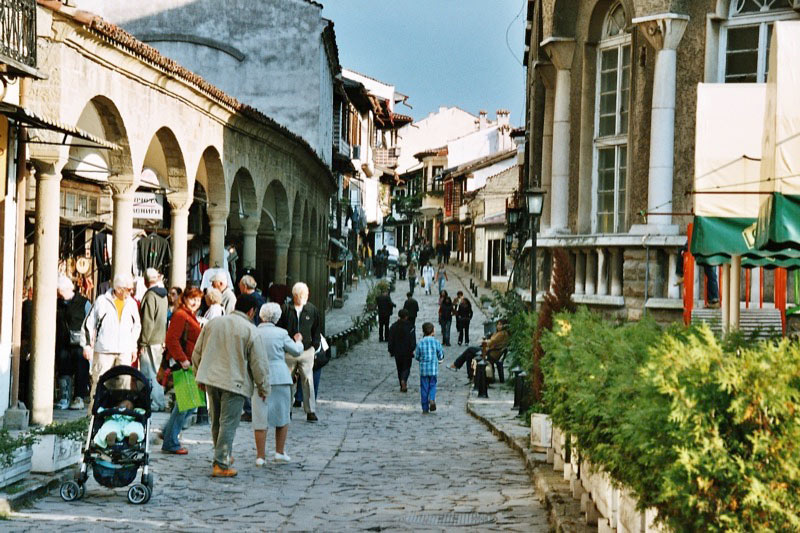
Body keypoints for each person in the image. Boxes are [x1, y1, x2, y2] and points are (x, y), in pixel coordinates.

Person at [193, 294, 269, 477]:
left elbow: (197, 352)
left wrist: (199, 376)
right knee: (228, 422)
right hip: (235, 381)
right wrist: (263, 386)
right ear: (251, 311)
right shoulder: (250, 330)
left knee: (217, 420)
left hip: (211, 378)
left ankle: (222, 455)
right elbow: (258, 363)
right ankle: (221, 463)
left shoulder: (214, 323)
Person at [252, 303, 304, 466]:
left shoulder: (254, 332)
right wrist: (299, 341)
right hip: (280, 376)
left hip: (260, 377)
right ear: (277, 317)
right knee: (282, 415)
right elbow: (296, 351)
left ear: (261, 315)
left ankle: (260, 456)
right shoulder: (281, 333)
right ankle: (279, 452)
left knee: (260, 417)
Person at [82, 273, 141, 408]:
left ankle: (122, 413)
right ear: (119, 289)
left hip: (124, 350)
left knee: (124, 385)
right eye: (129, 289)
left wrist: (133, 346)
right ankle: (94, 414)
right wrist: (86, 345)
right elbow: (89, 324)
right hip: (104, 349)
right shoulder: (102, 301)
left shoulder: (131, 303)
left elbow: (136, 326)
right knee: (100, 383)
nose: (131, 292)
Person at [161, 287, 203, 455]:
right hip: (183, 364)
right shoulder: (180, 315)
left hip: (189, 363)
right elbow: (171, 339)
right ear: (185, 298)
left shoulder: (188, 315)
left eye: (198, 300)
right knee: (186, 405)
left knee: (189, 404)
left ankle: (168, 433)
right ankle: (170, 441)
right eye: (192, 298)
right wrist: (183, 359)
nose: (195, 302)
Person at [277, 282, 321, 422]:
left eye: (306, 294)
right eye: (302, 295)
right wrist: (290, 338)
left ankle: (310, 410)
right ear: (295, 295)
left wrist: (314, 345)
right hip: (289, 352)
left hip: (306, 350)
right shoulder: (286, 309)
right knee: (288, 381)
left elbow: (317, 329)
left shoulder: (312, 310)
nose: (305, 297)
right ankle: (287, 409)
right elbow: (280, 328)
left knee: (308, 380)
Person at [56, 275, 91, 410]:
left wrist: (89, 342)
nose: (59, 294)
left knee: (81, 369)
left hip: (79, 342)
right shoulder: (58, 303)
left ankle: (79, 398)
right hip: (63, 341)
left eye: (60, 291)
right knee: (64, 369)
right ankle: (64, 397)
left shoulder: (83, 302)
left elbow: (91, 322)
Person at [138, 268, 169, 412]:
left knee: (149, 372)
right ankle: (160, 401)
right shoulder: (164, 295)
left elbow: (148, 321)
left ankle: (155, 403)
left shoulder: (150, 296)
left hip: (150, 340)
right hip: (160, 338)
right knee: (157, 372)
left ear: (145, 280)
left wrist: (142, 342)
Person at [414, 322, 444, 414]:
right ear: (433, 332)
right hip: (433, 369)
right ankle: (431, 398)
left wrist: (420, 359)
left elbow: (417, 356)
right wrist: (440, 359)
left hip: (423, 369)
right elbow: (440, 354)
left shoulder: (420, 343)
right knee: (433, 385)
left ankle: (425, 407)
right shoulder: (436, 342)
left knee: (424, 387)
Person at [387, 309, 416, 392]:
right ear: (406, 316)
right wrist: (412, 348)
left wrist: (390, 350)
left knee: (399, 368)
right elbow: (412, 340)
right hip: (407, 351)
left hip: (397, 351)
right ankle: (404, 380)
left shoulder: (393, 326)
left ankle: (401, 383)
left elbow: (390, 339)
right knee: (406, 367)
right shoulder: (410, 326)